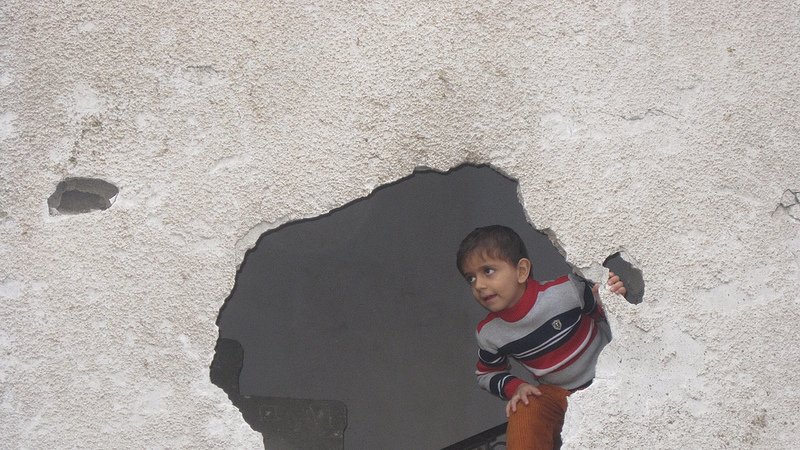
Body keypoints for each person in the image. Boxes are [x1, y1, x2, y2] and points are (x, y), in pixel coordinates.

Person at [456, 225, 627, 449]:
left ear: (521, 271)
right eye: (470, 278)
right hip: (561, 397)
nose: (478, 285)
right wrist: (515, 388)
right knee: (526, 405)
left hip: (613, 377)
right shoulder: (490, 333)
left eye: (488, 271)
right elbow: (487, 374)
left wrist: (613, 296)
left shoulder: (567, 290)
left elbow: (606, 314)